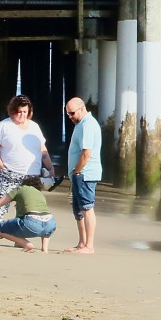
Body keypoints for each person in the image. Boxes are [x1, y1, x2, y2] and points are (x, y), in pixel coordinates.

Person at [0, 94, 49, 221]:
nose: (22, 115)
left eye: (25, 111)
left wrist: (50, 168)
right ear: (12, 111)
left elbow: (43, 150)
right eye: (19, 112)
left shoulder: (35, 127)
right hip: (8, 174)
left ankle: (19, 240)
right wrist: (0, 165)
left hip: (31, 176)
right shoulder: (4, 125)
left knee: (28, 208)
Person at [60, 94, 103, 253]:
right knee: (78, 210)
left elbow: (87, 153)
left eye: (72, 113)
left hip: (86, 173)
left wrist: (77, 171)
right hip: (78, 174)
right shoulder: (80, 124)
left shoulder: (88, 125)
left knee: (86, 207)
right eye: (68, 114)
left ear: (82, 109)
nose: (70, 117)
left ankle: (89, 246)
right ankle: (82, 243)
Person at [0, 179, 59, 250]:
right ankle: (44, 248)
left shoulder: (20, 189)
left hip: (32, 222)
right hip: (51, 223)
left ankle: (26, 244)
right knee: (44, 224)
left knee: (1, 227)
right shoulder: (39, 194)